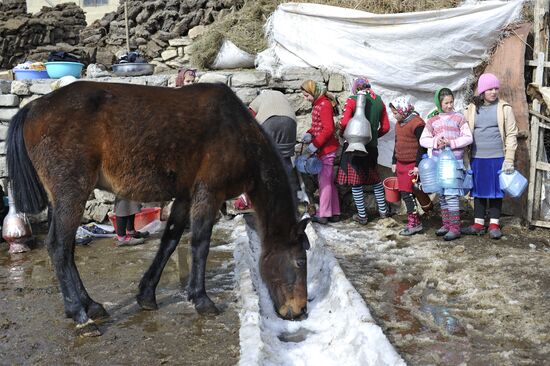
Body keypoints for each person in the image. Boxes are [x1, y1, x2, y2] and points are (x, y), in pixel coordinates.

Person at [461, 73, 518, 239]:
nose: (493, 92)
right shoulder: (470, 109)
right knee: (478, 192)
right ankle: (478, 224)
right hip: (477, 158)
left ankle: (494, 224)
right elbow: (464, 133)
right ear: (482, 91)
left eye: (496, 88)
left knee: (495, 192)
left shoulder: (504, 108)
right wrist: (466, 160)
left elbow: (512, 134)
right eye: (490, 89)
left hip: (498, 158)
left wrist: (509, 159)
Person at [420, 88, 473, 241]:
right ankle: (447, 224)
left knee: (451, 195)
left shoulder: (459, 118)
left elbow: (468, 138)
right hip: (438, 162)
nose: (450, 106)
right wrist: (436, 141)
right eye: (446, 103)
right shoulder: (432, 120)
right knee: (442, 194)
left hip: (453, 163)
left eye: (451, 102)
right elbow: (423, 140)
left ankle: (455, 228)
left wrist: (452, 143)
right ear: (439, 103)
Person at [337, 77, 391, 225]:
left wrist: (343, 133)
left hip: (354, 147)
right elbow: (386, 127)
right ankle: (383, 212)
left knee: (356, 183)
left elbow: (344, 122)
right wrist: (373, 136)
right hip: (372, 147)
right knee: (375, 180)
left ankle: (362, 215)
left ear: (356, 87)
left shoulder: (353, 100)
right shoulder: (379, 101)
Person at [301, 80, 341, 224]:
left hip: (326, 148)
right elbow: (318, 125)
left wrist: (314, 145)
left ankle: (324, 214)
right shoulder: (318, 103)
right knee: (328, 181)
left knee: (324, 182)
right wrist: (309, 133)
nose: (306, 98)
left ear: (314, 92)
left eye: (307, 95)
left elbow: (328, 129)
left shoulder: (324, 105)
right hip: (322, 148)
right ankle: (335, 212)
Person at [248, 89, 298, 197]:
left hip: (269, 122)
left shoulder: (259, 98)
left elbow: (250, 117)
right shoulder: (281, 95)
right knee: (285, 156)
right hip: (290, 122)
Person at [390, 96, 427, 236]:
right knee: (406, 193)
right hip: (401, 164)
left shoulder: (417, 124)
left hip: (412, 165)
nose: (394, 116)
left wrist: (418, 165)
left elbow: (422, 146)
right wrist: (394, 161)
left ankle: (415, 223)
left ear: (403, 110)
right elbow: (397, 143)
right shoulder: (399, 124)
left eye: (395, 113)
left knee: (408, 193)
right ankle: (414, 221)